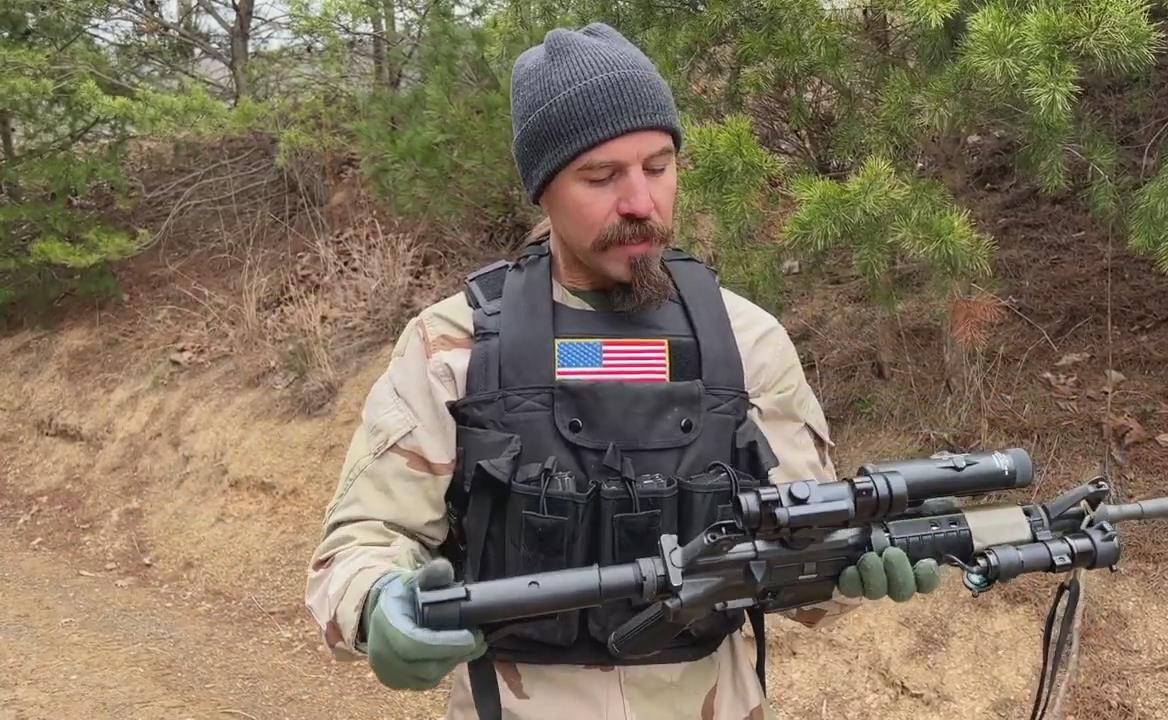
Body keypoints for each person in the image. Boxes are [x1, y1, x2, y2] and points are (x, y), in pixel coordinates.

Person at [305, 22, 943, 720]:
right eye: (601, 176)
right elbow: (363, 543)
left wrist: (859, 562)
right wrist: (377, 604)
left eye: (658, 167)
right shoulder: (454, 347)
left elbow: (803, 566)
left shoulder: (746, 341)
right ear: (543, 190)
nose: (641, 202)